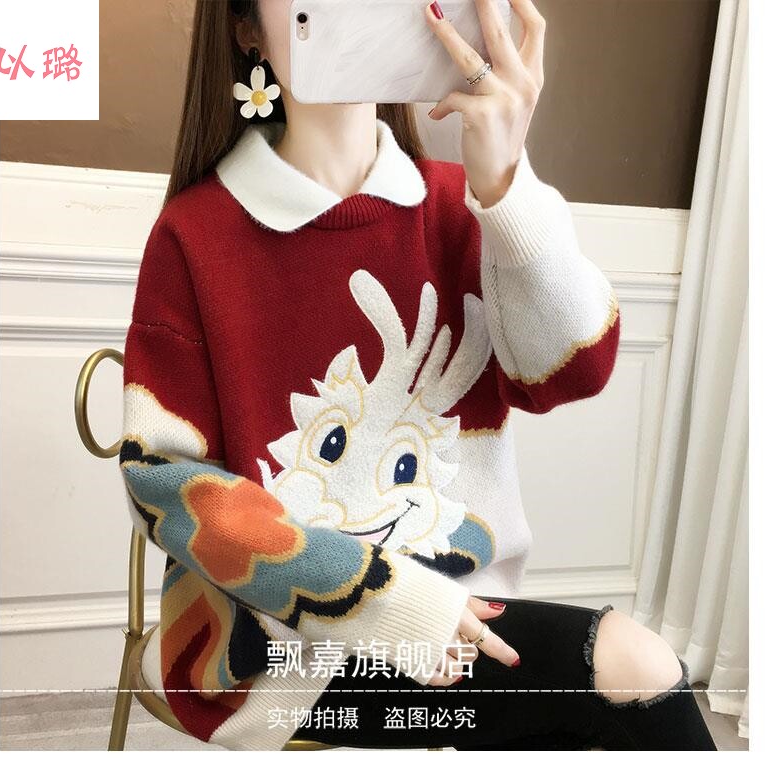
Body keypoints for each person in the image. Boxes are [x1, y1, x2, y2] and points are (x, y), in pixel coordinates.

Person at [119, 0, 717, 751]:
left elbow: (575, 370)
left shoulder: (460, 206)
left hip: (460, 612)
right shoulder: (194, 234)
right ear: (246, 30)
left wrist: (506, 185)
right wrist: (388, 599)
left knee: (618, 691)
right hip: (273, 648)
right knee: (632, 665)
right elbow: (163, 481)